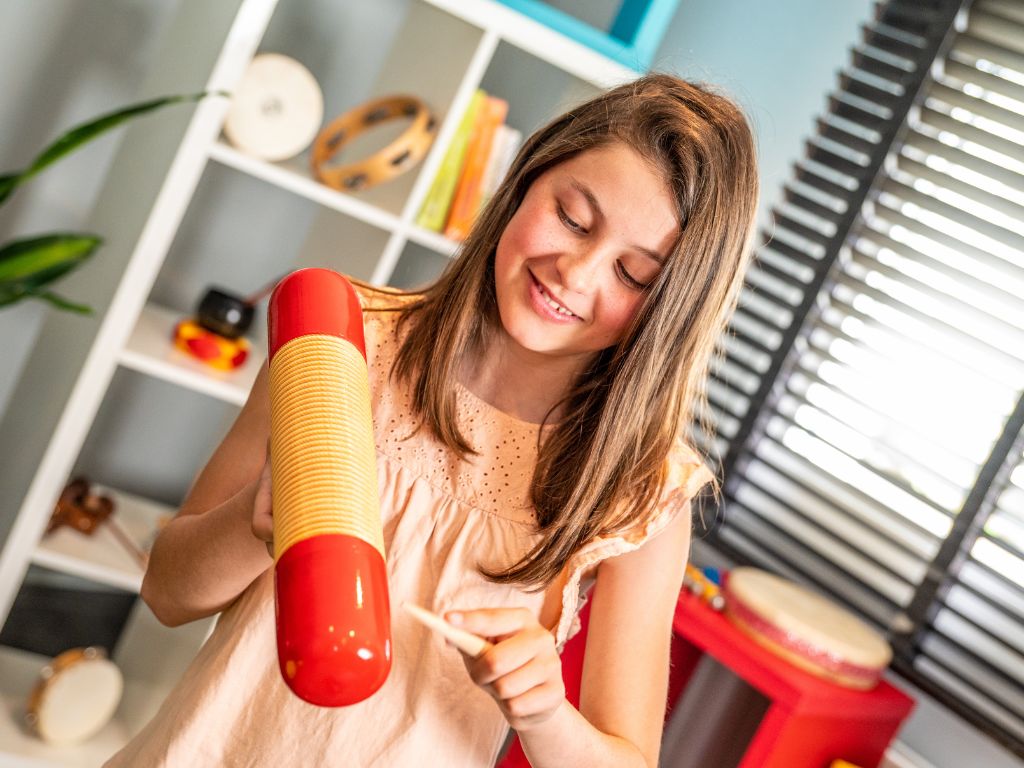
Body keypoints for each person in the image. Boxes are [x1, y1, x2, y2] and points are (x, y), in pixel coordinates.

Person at [104, 72, 758, 767]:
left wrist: (544, 712)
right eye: (571, 217)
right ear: (527, 179)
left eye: (634, 275)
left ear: (672, 311)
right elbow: (167, 592)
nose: (576, 272)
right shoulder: (346, 347)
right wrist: (250, 525)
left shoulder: (638, 489)